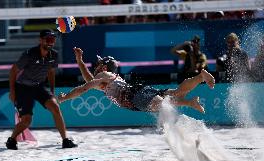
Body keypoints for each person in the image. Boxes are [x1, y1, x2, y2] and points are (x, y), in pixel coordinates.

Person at [57, 47, 215, 113]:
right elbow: (89, 80)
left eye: (99, 64)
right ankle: (199, 79)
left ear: (104, 67)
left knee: (163, 104)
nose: (96, 66)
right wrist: (79, 60)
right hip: (135, 92)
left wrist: (65, 98)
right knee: (175, 93)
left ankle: (190, 101)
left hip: (133, 97)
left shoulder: (102, 77)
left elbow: (84, 87)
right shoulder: (105, 79)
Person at [6, 29, 77, 150]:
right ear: (40, 40)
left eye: (53, 40)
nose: (51, 42)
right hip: (23, 87)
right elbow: (13, 70)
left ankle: (65, 140)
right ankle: (11, 139)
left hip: (39, 86)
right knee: (27, 121)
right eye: (48, 39)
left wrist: (52, 92)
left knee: (55, 107)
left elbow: (51, 72)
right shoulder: (29, 54)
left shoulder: (53, 55)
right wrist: (12, 92)